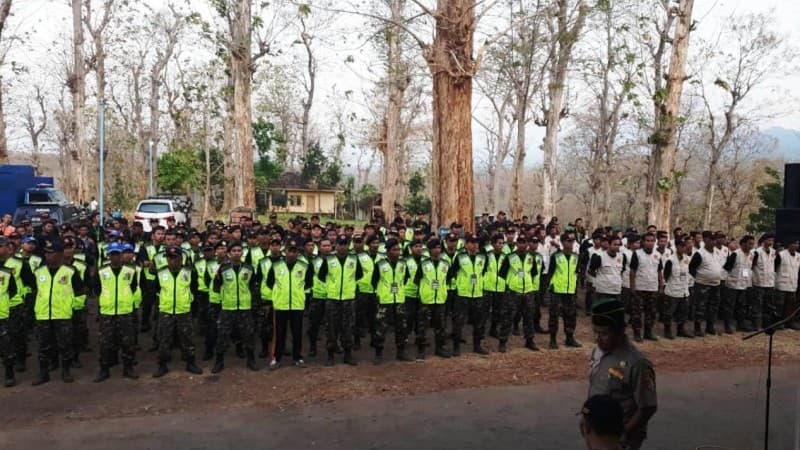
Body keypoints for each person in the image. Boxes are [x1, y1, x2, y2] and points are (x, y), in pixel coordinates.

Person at [588, 298, 657, 450]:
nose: (598, 339)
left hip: (621, 437)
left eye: (604, 333)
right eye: (596, 333)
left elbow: (648, 407)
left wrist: (624, 433)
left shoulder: (637, 363)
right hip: (597, 430)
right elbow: (595, 386)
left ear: (619, 331)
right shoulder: (598, 352)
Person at [32, 238, 84, 385]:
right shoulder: (38, 272)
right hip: (43, 314)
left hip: (62, 314)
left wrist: (71, 306)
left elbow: (80, 292)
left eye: (52, 253)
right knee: (43, 345)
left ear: (60, 254)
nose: (49, 256)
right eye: (47, 253)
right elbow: (35, 291)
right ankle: (43, 373)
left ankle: (66, 371)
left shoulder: (70, 272)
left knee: (65, 344)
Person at [152, 245, 202, 378]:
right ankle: (162, 365)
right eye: (169, 258)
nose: (172, 261)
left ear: (181, 258)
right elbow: (157, 290)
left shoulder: (190, 272)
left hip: (183, 311)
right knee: (164, 339)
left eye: (175, 258)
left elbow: (194, 288)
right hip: (166, 311)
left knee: (187, 339)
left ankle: (190, 362)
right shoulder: (161, 273)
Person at [263, 240, 314, 369]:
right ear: (284, 251)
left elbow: (309, 283)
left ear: (298, 252)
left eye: (294, 251)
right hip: (281, 305)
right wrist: (279, 293)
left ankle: (297, 357)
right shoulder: (276, 265)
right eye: (289, 251)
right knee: (279, 333)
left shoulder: (305, 266)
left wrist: (298, 291)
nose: (291, 253)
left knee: (297, 333)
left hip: (297, 304)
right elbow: (269, 282)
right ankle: (276, 358)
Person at [94, 242, 140, 382]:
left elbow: (133, 288)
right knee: (106, 342)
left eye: (118, 254)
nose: (115, 257)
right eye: (112, 254)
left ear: (122, 255)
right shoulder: (102, 271)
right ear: (109, 255)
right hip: (107, 312)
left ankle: (128, 368)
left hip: (125, 311)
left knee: (127, 342)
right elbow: (96, 289)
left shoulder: (130, 271)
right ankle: (104, 369)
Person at [316, 235, 363, 366]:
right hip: (333, 299)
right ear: (336, 245)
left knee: (348, 328)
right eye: (340, 244)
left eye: (345, 244)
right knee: (331, 328)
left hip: (348, 299)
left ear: (348, 245)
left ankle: (348, 355)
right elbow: (321, 276)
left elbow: (359, 275)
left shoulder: (354, 259)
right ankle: (330, 355)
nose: (343, 247)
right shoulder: (329, 259)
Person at [212, 241, 258, 373]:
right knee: (222, 335)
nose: (237, 253)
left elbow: (253, 287)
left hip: (245, 307)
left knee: (248, 335)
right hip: (228, 307)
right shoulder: (223, 268)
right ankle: (219, 362)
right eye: (234, 251)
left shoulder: (249, 268)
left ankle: (251, 360)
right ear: (229, 253)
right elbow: (216, 287)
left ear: (242, 253)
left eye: (239, 250)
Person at [371, 238, 411, 364]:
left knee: (402, 327)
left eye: (398, 249)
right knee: (380, 328)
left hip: (399, 299)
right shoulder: (380, 264)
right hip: (384, 300)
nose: (397, 252)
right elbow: (374, 281)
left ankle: (401, 351)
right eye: (394, 250)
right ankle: (378, 354)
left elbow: (405, 279)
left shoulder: (403, 264)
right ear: (388, 251)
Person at [449, 234, 489, 356]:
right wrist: (459, 285)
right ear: (466, 244)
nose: (475, 244)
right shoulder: (460, 257)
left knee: (479, 322)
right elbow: (452, 273)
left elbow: (484, 272)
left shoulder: (483, 257)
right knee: (459, 322)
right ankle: (456, 346)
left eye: (476, 242)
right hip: (463, 294)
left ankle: (477, 345)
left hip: (477, 294)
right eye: (472, 242)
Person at [499, 236, 540, 351]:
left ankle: (529, 340)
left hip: (527, 291)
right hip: (513, 291)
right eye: (520, 242)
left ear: (527, 243)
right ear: (517, 244)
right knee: (508, 317)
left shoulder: (530, 257)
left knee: (529, 317)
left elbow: (534, 273)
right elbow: (502, 274)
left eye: (524, 242)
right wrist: (509, 285)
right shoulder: (509, 257)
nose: (522, 245)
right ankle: (502, 341)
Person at [415, 238, 452, 359]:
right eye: (435, 248)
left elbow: (448, 278)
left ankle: (440, 348)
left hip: (440, 299)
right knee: (422, 327)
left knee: (440, 326)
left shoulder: (446, 263)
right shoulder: (424, 264)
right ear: (430, 250)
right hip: (427, 299)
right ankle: (421, 350)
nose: (438, 250)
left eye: (439, 248)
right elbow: (417, 280)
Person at [547, 234, 582, 349]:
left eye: (572, 241)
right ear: (562, 242)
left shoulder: (576, 257)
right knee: (554, 315)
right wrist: (550, 286)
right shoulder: (555, 256)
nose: (570, 243)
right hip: (557, 290)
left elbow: (576, 273)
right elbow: (550, 273)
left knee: (571, 315)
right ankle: (553, 339)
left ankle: (570, 338)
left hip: (570, 290)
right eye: (568, 241)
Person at [628, 233, 662, 342]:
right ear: (643, 242)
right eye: (647, 240)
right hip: (639, 287)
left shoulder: (657, 255)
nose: (650, 243)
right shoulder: (637, 254)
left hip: (653, 287)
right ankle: (637, 333)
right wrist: (632, 287)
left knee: (651, 312)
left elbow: (659, 272)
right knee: (637, 311)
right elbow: (632, 272)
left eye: (652, 240)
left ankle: (648, 332)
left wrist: (661, 286)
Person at [688, 231, 723, 336]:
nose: (714, 241)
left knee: (713, 306)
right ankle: (698, 328)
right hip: (703, 284)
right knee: (700, 306)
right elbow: (691, 267)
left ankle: (710, 327)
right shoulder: (700, 253)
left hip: (716, 284)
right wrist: (700, 277)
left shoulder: (717, 251)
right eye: (711, 239)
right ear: (705, 240)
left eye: (715, 239)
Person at [723, 235, 755, 332]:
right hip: (732, 285)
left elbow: (749, 269)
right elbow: (726, 268)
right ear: (743, 244)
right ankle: (727, 325)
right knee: (729, 306)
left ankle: (740, 324)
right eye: (749, 244)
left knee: (741, 306)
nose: (751, 246)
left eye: (753, 244)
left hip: (744, 285)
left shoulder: (751, 255)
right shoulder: (735, 254)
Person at [661, 239, 692, 339]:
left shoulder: (687, 259)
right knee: (669, 312)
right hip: (672, 290)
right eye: (682, 246)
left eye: (685, 247)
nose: (684, 248)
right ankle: (667, 331)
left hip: (683, 290)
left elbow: (688, 273)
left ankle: (680, 330)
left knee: (683, 311)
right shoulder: (670, 260)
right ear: (677, 247)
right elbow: (665, 275)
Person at [0, 239, 19, 386]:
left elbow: (13, 290)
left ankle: (9, 374)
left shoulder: (6, 272)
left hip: (2, 315)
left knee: (6, 346)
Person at [774, 239, 800, 329]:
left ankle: (789, 322)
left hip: (792, 284)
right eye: (794, 243)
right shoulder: (781, 255)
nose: (796, 245)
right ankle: (778, 322)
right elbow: (774, 268)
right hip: (781, 284)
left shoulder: (798, 256)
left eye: (797, 244)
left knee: (790, 305)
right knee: (779, 305)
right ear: (789, 244)